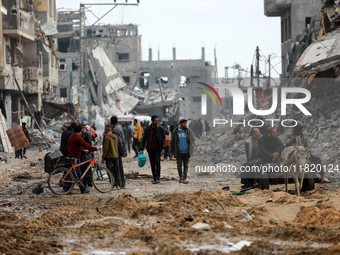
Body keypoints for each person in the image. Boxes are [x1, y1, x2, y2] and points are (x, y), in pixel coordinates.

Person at [67, 124, 101, 194]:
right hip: (75, 157)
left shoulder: (71, 137)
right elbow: (86, 145)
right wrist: (95, 148)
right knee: (76, 174)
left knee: (77, 173)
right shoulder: (78, 138)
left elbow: (75, 146)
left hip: (71, 156)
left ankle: (79, 188)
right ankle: (72, 188)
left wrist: (83, 150)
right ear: (80, 131)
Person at [140, 115, 165, 184]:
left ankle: (158, 177)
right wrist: (141, 149)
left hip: (158, 149)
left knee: (157, 162)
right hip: (150, 149)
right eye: (155, 121)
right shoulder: (148, 129)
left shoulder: (160, 129)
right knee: (152, 164)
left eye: (157, 121)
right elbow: (144, 139)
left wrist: (163, 148)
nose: (157, 122)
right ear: (152, 121)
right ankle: (154, 178)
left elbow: (163, 138)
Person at [170, 119, 195, 184]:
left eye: (186, 123)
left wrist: (192, 147)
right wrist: (171, 151)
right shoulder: (175, 131)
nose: (185, 125)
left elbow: (193, 140)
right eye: (184, 123)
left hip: (186, 152)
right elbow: (172, 142)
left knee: (186, 165)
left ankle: (184, 178)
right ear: (180, 124)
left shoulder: (188, 131)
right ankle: (180, 176)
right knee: (179, 165)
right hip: (178, 152)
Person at [102, 125, 125, 190]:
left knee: (110, 171)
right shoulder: (115, 137)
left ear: (106, 130)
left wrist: (103, 157)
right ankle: (117, 185)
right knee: (116, 171)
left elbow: (105, 149)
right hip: (116, 156)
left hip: (109, 157)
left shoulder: (106, 138)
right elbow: (119, 145)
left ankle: (113, 185)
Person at [110, 116, 127, 188]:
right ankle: (121, 183)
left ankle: (121, 184)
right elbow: (123, 140)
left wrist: (122, 151)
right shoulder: (119, 128)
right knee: (119, 168)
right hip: (120, 150)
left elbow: (119, 141)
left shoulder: (114, 130)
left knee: (118, 169)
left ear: (111, 122)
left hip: (117, 151)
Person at [80, 125, 94, 191]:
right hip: (82, 154)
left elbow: (89, 144)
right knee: (83, 170)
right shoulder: (80, 134)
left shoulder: (86, 134)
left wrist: (86, 150)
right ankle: (84, 184)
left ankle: (89, 184)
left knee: (88, 170)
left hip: (86, 155)